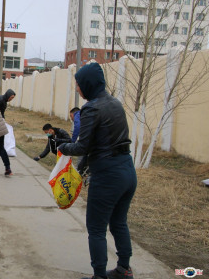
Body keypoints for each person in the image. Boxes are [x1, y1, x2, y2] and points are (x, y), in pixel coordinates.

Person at [58, 62, 137, 279]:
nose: (77, 88)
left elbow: (83, 146)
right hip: (127, 172)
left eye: (78, 84)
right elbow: (102, 142)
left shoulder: (92, 108)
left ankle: (99, 275)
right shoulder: (115, 103)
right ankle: (124, 268)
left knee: (96, 228)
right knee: (119, 222)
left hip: (108, 175)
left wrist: (62, 146)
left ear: (88, 84)